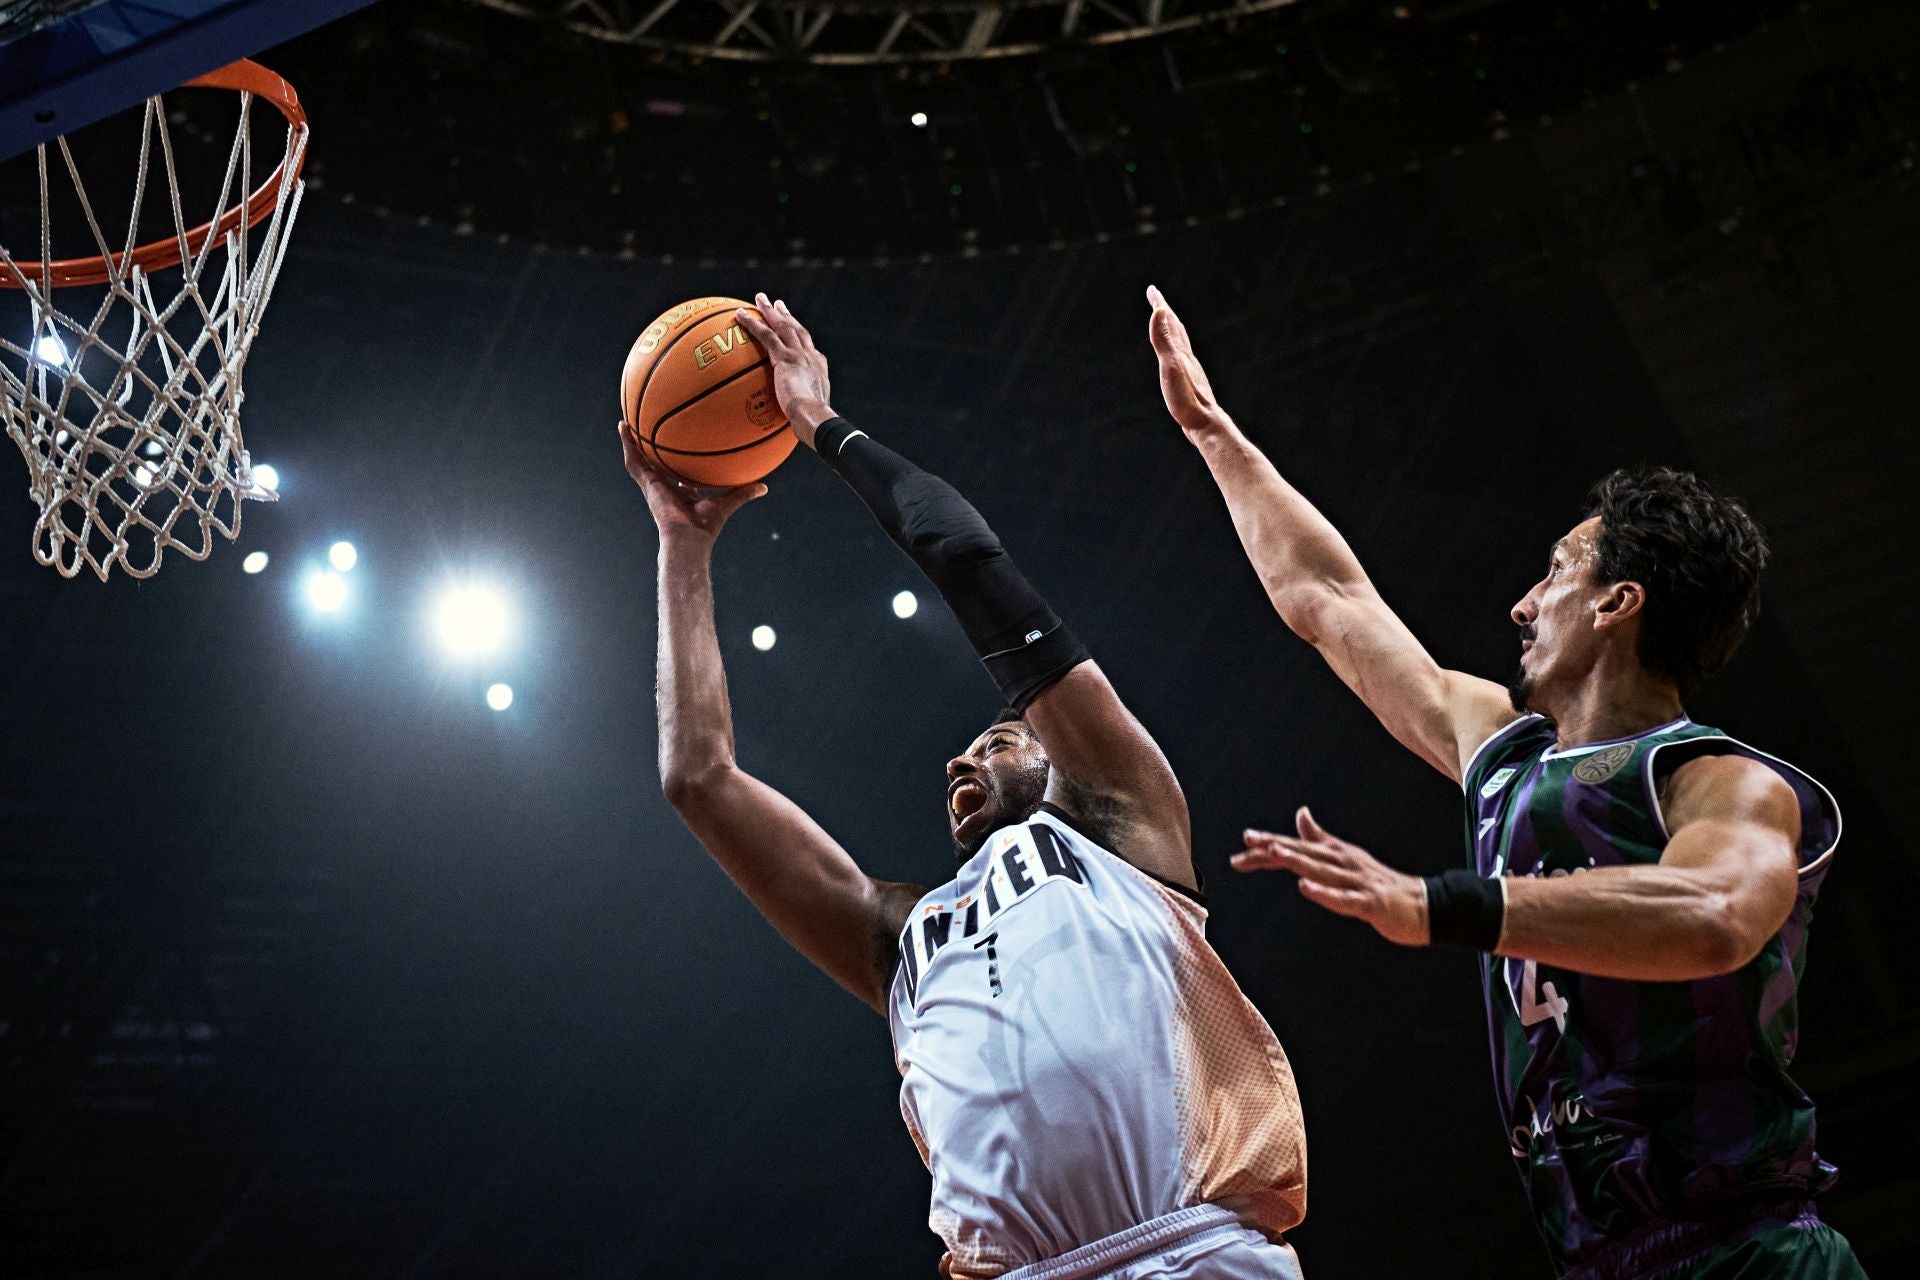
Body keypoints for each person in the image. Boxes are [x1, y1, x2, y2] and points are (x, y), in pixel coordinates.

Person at [1142, 285, 1864, 1280]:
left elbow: (1710, 913)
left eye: (1555, 572)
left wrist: (1436, 902)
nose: (1523, 604)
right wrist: (1216, 434)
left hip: (1744, 1251)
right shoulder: (1505, 754)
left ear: (1618, 601)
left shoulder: (1721, 781)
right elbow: (1330, 597)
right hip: (1597, 1259)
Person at [623, 291, 1306, 1280]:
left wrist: (820, 424)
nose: (959, 760)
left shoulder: (1121, 820)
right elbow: (697, 777)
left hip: (1188, 1253)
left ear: (1053, 752)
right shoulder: (898, 932)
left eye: (995, 737)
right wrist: (683, 547)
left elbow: (965, 555)